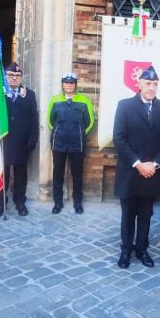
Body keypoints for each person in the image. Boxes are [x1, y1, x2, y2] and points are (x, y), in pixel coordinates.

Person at [112, 66, 160, 269]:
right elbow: (119, 139)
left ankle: (142, 249)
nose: (152, 88)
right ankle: (126, 250)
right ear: (139, 84)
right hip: (130, 172)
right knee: (128, 215)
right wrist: (138, 164)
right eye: (148, 83)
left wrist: (154, 164)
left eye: (155, 84)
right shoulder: (125, 106)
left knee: (146, 215)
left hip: (151, 174)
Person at [0, 62, 39, 218]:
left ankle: (20, 201)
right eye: (10, 76)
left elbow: (34, 117)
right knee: (1, 174)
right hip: (3, 140)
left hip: (21, 142)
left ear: (21, 78)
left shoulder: (29, 94)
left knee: (21, 174)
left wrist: (33, 138)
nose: (14, 78)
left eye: (17, 76)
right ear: (5, 77)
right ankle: (0, 203)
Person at [47, 72, 94, 214]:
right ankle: (57, 202)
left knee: (77, 174)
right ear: (62, 84)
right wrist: (58, 132)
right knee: (58, 173)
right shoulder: (55, 100)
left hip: (77, 142)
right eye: (66, 82)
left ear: (75, 84)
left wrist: (79, 133)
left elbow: (90, 121)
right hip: (59, 142)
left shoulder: (84, 100)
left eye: (71, 82)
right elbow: (50, 121)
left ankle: (77, 202)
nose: (69, 85)